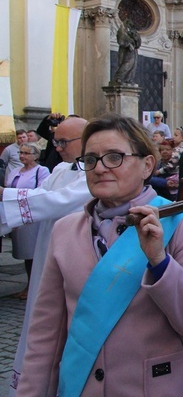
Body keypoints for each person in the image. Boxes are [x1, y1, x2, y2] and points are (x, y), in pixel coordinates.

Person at [16, 114, 183, 396]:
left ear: (147, 165)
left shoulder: (180, 223)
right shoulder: (65, 232)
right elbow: (44, 337)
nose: (100, 168)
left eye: (114, 157)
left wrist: (160, 262)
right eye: (90, 160)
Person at [0, 116, 91, 393]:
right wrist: (7, 194)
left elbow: (56, 202)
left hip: (74, 257)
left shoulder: (94, 173)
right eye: (55, 141)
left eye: (63, 142)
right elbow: (41, 193)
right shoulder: (62, 169)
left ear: (85, 140)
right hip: (46, 250)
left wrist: (4, 196)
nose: (58, 147)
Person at [6, 142, 50, 299]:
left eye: (26, 153)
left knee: (33, 252)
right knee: (25, 253)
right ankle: (29, 284)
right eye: (20, 153)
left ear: (36, 155)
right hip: (17, 216)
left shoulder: (42, 171)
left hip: (33, 217)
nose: (22, 156)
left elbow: (42, 191)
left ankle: (35, 286)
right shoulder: (15, 171)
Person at [112, 19, 142, 85]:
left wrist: (135, 36)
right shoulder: (122, 30)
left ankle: (128, 79)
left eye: (131, 25)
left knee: (132, 65)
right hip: (125, 51)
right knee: (126, 64)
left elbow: (138, 43)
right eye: (129, 24)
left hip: (133, 51)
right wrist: (129, 43)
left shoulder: (133, 32)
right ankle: (119, 78)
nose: (130, 26)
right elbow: (121, 40)